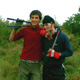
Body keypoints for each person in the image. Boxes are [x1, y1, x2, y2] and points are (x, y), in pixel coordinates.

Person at [9, 10, 43, 80]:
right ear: (30, 19)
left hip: (36, 64)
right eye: (32, 17)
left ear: (39, 20)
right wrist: (15, 28)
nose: (34, 20)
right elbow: (11, 39)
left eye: (36, 18)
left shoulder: (42, 31)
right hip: (24, 62)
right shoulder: (25, 30)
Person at [40, 15, 73, 80]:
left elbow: (70, 52)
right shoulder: (44, 37)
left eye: (47, 25)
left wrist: (58, 54)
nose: (45, 27)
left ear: (53, 24)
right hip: (46, 70)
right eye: (43, 25)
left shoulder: (62, 36)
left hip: (58, 70)